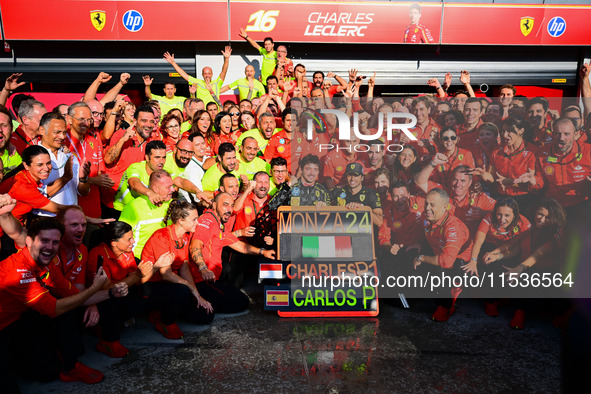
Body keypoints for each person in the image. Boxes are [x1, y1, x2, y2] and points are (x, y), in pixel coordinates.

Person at [0, 216, 109, 387]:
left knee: (66, 305)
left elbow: (72, 294)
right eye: (44, 240)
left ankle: (70, 366)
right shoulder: (18, 270)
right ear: (29, 241)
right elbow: (53, 309)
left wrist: (113, 292)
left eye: (55, 242)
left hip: (19, 319)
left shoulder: (47, 264)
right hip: (4, 327)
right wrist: (95, 288)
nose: (49, 247)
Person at [87, 221, 173, 356]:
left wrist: (154, 268)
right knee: (111, 299)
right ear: (114, 242)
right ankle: (108, 340)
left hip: (124, 292)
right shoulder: (98, 255)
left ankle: (159, 320)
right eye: (129, 239)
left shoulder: (127, 252)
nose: (133, 241)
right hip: (102, 300)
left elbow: (136, 279)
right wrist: (140, 274)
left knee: (150, 294)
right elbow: (107, 288)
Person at [189, 192, 275, 315]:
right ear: (214, 205)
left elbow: (240, 246)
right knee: (241, 302)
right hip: (201, 280)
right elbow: (195, 244)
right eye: (225, 205)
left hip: (212, 279)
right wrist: (203, 269)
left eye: (231, 205)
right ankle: (197, 304)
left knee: (238, 297)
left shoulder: (218, 223)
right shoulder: (207, 220)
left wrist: (263, 252)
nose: (229, 209)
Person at [141, 200, 213, 339]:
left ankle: (165, 311)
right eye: (194, 219)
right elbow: (166, 274)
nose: (197, 223)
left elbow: (184, 268)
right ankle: (165, 322)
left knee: (206, 315)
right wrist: (191, 290)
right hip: (151, 285)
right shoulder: (161, 236)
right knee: (183, 290)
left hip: (171, 284)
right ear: (180, 221)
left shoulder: (184, 237)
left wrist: (198, 296)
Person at [413, 188, 473, 322]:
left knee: (442, 270)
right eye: (426, 203)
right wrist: (419, 243)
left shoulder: (452, 227)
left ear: (445, 207)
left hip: (459, 263)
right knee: (410, 253)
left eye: (432, 205)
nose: (427, 208)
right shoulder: (427, 215)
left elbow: (447, 262)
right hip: (439, 252)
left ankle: (446, 306)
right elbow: (427, 233)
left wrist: (421, 258)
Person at [464, 198, 531, 316]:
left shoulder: (524, 224)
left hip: (511, 250)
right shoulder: (489, 218)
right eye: (499, 214)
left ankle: (503, 295)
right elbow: (479, 241)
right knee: (487, 260)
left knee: (508, 267)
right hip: (491, 245)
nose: (502, 219)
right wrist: (473, 261)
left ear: (515, 215)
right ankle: (490, 301)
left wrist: (497, 255)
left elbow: (516, 248)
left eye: (507, 215)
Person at [102, 105, 156, 218]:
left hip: (135, 201)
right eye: (144, 121)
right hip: (112, 201)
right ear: (135, 121)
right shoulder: (121, 134)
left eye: (151, 121)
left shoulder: (153, 141)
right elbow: (108, 159)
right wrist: (123, 139)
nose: (148, 125)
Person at [535, 117, 591, 213]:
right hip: (553, 205)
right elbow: (540, 180)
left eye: (566, 134)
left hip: (580, 203)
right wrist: (533, 181)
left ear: (575, 134)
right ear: (552, 134)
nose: (561, 138)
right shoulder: (542, 153)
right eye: (558, 134)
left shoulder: (588, 151)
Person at [119, 170, 176, 259]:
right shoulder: (134, 207)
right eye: (168, 187)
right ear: (155, 189)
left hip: (164, 258)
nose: (173, 189)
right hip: (139, 260)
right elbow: (121, 238)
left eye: (172, 186)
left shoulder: (172, 204)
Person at [163, 48, 231, 108]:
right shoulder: (198, 82)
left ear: (212, 74)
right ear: (202, 74)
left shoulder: (217, 83)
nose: (207, 75)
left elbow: (223, 71)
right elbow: (184, 75)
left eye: (209, 73)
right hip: (201, 113)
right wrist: (173, 62)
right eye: (205, 73)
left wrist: (227, 59)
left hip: (214, 113)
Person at [330, 162, 383, 227]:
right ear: (346, 177)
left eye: (356, 175)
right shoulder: (337, 191)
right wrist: (322, 204)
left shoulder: (370, 193)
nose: (352, 179)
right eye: (349, 175)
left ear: (362, 178)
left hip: (363, 235)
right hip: (341, 234)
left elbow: (379, 221)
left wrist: (362, 208)